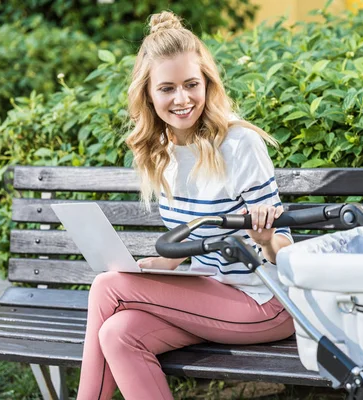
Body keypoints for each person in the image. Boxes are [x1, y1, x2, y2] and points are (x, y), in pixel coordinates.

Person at [76, 11, 294, 400]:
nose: (182, 99)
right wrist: (169, 264)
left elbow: (286, 254)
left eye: (192, 84)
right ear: (148, 94)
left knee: (108, 287)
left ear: (207, 84)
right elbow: (196, 232)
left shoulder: (239, 144)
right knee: (118, 333)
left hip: (265, 301)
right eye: (167, 88)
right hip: (212, 295)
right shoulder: (162, 151)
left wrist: (265, 240)